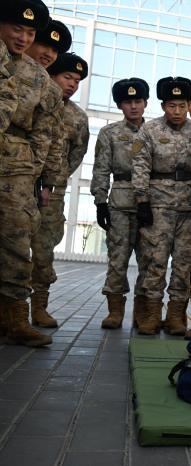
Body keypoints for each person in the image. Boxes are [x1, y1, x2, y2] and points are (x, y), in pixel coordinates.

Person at [0, 0, 63, 347]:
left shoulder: (40, 79)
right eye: (16, 29)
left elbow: (44, 132)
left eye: (29, 32)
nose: (23, 38)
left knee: (15, 242)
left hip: (16, 170)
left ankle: (14, 319)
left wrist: (34, 172)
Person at [131, 76, 191, 335]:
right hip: (157, 206)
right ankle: (152, 314)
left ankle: (175, 316)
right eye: (172, 106)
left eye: (182, 105)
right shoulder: (149, 130)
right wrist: (142, 200)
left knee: (184, 263)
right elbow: (140, 165)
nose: (177, 111)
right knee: (155, 260)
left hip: (190, 208)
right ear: (163, 106)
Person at [30, 52, 89, 328]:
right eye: (68, 78)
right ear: (52, 75)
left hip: (52, 191)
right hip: (19, 180)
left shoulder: (77, 116)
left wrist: (57, 177)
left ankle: (39, 307)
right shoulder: (34, 100)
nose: (72, 85)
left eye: (77, 81)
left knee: (44, 249)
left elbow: (77, 153)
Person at [92, 78, 150, 329]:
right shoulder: (110, 133)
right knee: (117, 258)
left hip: (151, 203)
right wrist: (100, 202)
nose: (133, 106)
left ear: (146, 102)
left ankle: (142, 312)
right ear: (119, 105)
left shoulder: (155, 131)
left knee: (149, 260)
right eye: (127, 102)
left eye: (138, 101)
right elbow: (101, 168)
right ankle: (115, 311)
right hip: (120, 204)